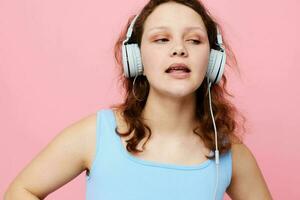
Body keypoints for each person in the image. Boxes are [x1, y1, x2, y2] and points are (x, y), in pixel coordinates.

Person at [4, 0, 272, 199]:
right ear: (136, 58)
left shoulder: (230, 155)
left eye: (194, 40)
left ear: (213, 61)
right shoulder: (95, 135)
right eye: (161, 39)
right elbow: (21, 190)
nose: (179, 49)